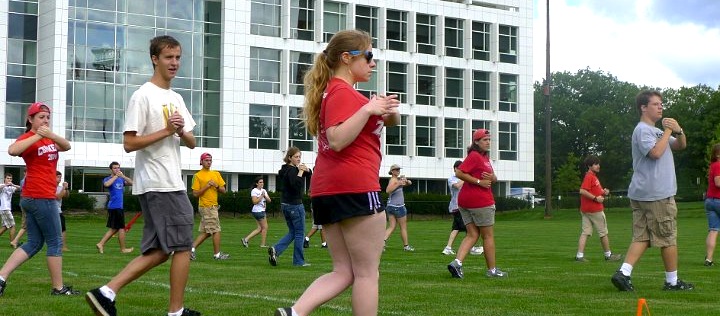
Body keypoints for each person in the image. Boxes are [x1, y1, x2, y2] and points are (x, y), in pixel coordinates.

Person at [274, 29, 400, 316]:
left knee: (344, 272)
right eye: (368, 56)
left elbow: (385, 123)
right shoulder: (343, 92)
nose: (373, 63)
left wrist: (388, 111)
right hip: (355, 187)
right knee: (367, 273)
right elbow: (337, 139)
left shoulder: (340, 93)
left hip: (328, 189)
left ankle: (295, 313)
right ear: (346, 58)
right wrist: (369, 110)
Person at [85, 35, 201, 316]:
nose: (174, 63)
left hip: (168, 181)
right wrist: (166, 130)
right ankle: (176, 312)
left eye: (177, 57)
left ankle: (106, 293)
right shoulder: (143, 95)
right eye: (168, 57)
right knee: (183, 245)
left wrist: (181, 130)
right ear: (154, 59)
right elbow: (129, 143)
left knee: (160, 251)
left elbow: (192, 142)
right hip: (159, 183)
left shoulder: (176, 98)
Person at [611, 90, 693, 292]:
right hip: (656, 194)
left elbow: (680, 146)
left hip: (643, 193)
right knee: (668, 238)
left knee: (642, 237)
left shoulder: (655, 131)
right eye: (656, 104)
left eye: (661, 103)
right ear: (643, 107)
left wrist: (678, 131)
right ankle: (672, 282)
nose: (661, 107)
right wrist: (667, 131)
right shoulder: (643, 130)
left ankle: (623, 273)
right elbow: (655, 153)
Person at [0, 102, 76, 297]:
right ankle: (58, 288)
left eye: (47, 117)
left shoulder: (50, 139)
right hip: (40, 196)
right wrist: (37, 135)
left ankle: (1, 277)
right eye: (41, 117)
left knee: (34, 242)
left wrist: (49, 134)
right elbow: (13, 150)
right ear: (31, 119)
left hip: (36, 197)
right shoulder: (28, 137)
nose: (45, 120)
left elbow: (66, 146)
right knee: (55, 242)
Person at [447, 129, 506, 279]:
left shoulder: (484, 157)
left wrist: (493, 177)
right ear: (476, 142)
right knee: (488, 237)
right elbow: (459, 172)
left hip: (466, 201)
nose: (488, 142)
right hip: (480, 201)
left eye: (489, 139)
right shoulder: (474, 156)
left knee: (472, 234)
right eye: (484, 139)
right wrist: (479, 182)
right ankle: (492, 270)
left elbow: (493, 178)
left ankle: (457, 263)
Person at [268, 147, 312, 267]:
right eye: (296, 157)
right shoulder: (293, 171)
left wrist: (306, 170)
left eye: (299, 157)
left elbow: (309, 174)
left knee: (293, 231)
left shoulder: (286, 169)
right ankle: (298, 261)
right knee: (299, 233)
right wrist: (301, 172)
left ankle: (276, 250)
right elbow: (296, 185)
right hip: (295, 205)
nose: (298, 159)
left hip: (285, 205)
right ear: (289, 158)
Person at [575, 156, 622, 262]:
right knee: (603, 232)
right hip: (594, 210)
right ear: (589, 166)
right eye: (595, 164)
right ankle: (608, 255)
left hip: (586, 210)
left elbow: (594, 191)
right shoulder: (589, 176)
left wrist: (603, 192)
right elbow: (582, 191)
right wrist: (596, 198)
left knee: (585, 232)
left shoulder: (593, 177)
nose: (598, 166)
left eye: (598, 164)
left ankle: (579, 256)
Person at [190, 152, 228, 261]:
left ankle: (191, 249)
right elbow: (195, 194)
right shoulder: (197, 176)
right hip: (206, 207)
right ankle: (217, 254)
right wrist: (207, 186)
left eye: (210, 160)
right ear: (201, 162)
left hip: (214, 206)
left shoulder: (216, 174)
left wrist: (216, 186)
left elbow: (224, 190)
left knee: (208, 231)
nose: (209, 162)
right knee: (216, 230)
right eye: (206, 160)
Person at [442, 161, 483, 256]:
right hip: (457, 206)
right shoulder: (452, 179)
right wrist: (465, 178)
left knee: (457, 228)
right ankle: (471, 248)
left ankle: (448, 248)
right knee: (468, 228)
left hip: (464, 206)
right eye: (459, 168)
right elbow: (457, 186)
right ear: (455, 169)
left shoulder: (464, 178)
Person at [95, 161, 134, 254]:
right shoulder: (108, 179)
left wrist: (123, 176)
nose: (117, 169)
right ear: (111, 169)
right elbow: (106, 185)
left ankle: (101, 244)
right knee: (120, 228)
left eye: (118, 168)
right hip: (114, 206)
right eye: (115, 168)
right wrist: (116, 176)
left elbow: (132, 183)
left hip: (119, 207)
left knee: (116, 228)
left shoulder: (121, 179)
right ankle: (123, 249)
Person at [384, 164, 415, 251]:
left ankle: (382, 243)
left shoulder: (397, 180)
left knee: (392, 226)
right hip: (398, 207)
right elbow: (388, 190)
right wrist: (399, 183)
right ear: (392, 171)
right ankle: (406, 246)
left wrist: (406, 181)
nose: (398, 171)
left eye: (399, 170)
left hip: (390, 206)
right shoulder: (394, 180)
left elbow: (409, 183)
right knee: (403, 227)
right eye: (396, 170)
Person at [243, 176, 271, 248]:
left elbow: (269, 200)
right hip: (258, 211)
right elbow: (255, 202)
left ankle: (246, 239)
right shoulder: (254, 191)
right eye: (260, 182)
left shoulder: (264, 190)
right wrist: (261, 196)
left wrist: (265, 196)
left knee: (259, 228)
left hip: (260, 210)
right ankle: (263, 244)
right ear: (256, 183)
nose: (262, 183)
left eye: (262, 182)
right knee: (265, 227)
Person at [704, 143, 720, 267]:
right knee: (714, 230)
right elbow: (718, 182)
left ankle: (709, 259)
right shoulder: (719, 165)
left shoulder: (713, 165)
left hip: (710, 201)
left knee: (713, 230)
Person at [0, 174, 21, 242]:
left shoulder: (11, 187)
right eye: (8, 178)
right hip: (4, 208)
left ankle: (13, 242)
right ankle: (13, 242)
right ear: (5, 179)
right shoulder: (2, 186)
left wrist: (13, 185)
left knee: (5, 226)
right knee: (12, 225)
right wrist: (6, 185)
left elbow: (20, 188)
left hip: (7, 208)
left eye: (10, 178)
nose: (9, 180)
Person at [9, 169, 26, 249]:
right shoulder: (25, 180)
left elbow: (21, 189)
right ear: (25, 173)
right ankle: (15, 241)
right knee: (25, 225)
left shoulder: (24, 181)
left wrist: (14, 185)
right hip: (26, 204)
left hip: (25, 204)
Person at [55, 171, 70, 252]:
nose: (59, 179)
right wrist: (63, 188)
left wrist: (66, 188)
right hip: (52, 211)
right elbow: (58, 197)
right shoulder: (50, 187)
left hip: (58, 211)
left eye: (60, 177)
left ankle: (63, 246)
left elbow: (66, 196)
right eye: (58, 177)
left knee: (63, 229)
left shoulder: (60, 188)